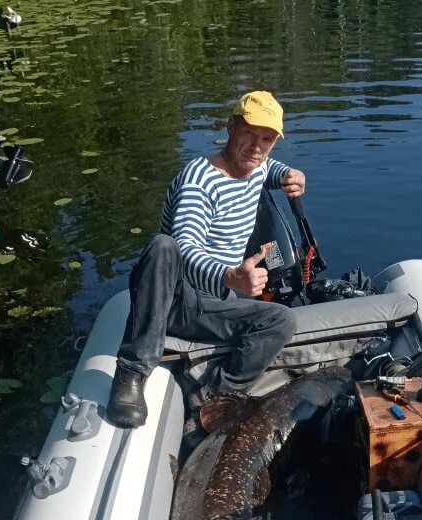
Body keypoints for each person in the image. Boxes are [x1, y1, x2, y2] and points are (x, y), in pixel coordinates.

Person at [107, 91, 306, 429]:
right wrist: (230, 276)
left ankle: (211, 396)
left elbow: (269, 168)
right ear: (230, 127)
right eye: (249, 133)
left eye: (267, 139)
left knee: (281, 320)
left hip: (216, 301)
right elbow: (185, 247)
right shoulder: (199, 182)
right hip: (178, 298)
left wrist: (290, 174)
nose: (257, 147)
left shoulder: (257, 165)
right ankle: (131, 372)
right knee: (164, 246)